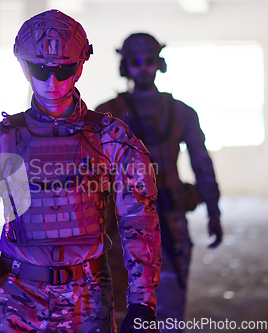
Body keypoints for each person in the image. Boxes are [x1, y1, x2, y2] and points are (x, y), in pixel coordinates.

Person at [0, 10, 161, 333]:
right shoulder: (3, 139)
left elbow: (140, 221)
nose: (52, 82)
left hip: (87, 297)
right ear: (24, 67)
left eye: (63, 69)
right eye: (40, 70)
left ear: (80, 65)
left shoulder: (111, 137)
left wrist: (143, 302)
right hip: (16, 298)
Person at [95, 33, 222, 332]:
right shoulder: (107, 114)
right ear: (124, 67)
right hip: (120, 223)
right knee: (121, 308)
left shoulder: (181, 112)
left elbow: (201, 163)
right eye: (135, 62)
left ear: (160, 64)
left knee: (170, 308)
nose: (143, 68)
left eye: (149, 61)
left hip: (170, 219)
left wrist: (214, 212)